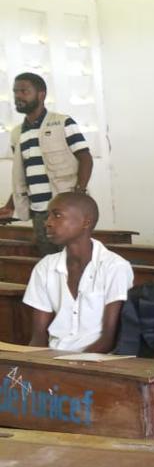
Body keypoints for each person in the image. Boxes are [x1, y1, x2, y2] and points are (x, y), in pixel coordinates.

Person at [22, 192, 132, 353]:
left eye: (57, 215)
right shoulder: (45, 267)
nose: (48, 223)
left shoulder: (114, 267)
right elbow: (38, 337)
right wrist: (32, 361)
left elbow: (109, 339)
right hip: (54, 356)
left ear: (85, 222)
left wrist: (74, 364)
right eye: (48, 216)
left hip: (98, 359)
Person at [1, 72, 93, 256]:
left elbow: (85, 158)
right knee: (50, 261)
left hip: (67, 210)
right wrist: (10, 206)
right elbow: (23, 175)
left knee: (74, 258)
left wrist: (79, 193)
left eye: (24, 91)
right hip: (39, 213)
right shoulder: (17, 133)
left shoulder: (63, 122)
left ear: (41, 94)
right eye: (15, 92)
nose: (18, 96)